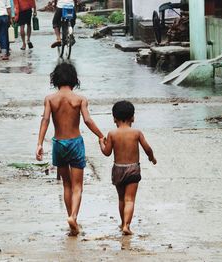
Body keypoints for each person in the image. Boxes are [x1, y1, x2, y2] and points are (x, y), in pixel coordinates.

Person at [36, 62, 104, 236]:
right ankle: (74, 216)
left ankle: (70, 218)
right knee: (78, 186)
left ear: (55, 79)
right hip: (75, 143)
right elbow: (88, 121)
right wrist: (100, 135)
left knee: (66, 185)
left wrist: (40, 143)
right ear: (74, 79)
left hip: (59, 143)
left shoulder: (50, 99)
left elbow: (45, 120)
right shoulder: (80, 99)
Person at [99, 101, 157, 235]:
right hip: (133, 169)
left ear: (114, 119)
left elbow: (107, 153)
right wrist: (151, 158)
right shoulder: (136, 133)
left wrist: (102, 143)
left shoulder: (112, 134)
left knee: (121, 199)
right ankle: (127, 225)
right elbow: (147, 148)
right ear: (133, 118)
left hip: (118, 169)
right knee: (129, 199)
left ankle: (122, 222)